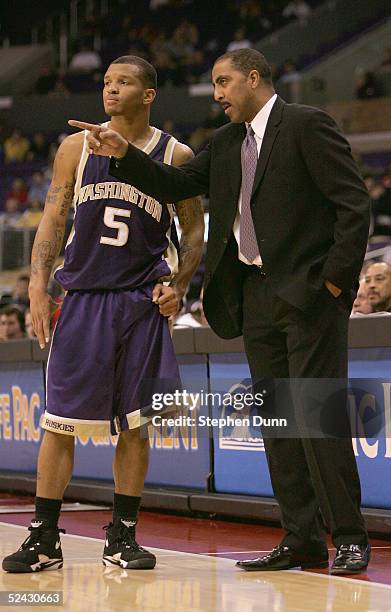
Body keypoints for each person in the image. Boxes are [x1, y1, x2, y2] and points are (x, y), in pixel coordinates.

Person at [69, 48, 371, 575]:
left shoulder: (306, 124)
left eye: (223, 82)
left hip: (308, 298)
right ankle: (301, 538)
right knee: (279, 425)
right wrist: (123, 153)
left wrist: (332, 284)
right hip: (255, 299)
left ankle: (349, 537)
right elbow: (175, 184)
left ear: (253, 78)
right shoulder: (228, 142)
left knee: (318, 419)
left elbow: (354, 205)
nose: (216, 94)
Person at [2, 55, 203, 574]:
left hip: (140, 302)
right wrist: (39, 286)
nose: (111, 91)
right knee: (59, 423)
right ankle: (44, 538)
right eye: (107, 82)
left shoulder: (174, 154)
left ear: (149, 93)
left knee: (136, 426)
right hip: (84, 297)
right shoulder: (76, 147)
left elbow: (195, 230)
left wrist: (179, 285)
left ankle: (122, 536)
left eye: (124, 82)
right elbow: (53, 216)